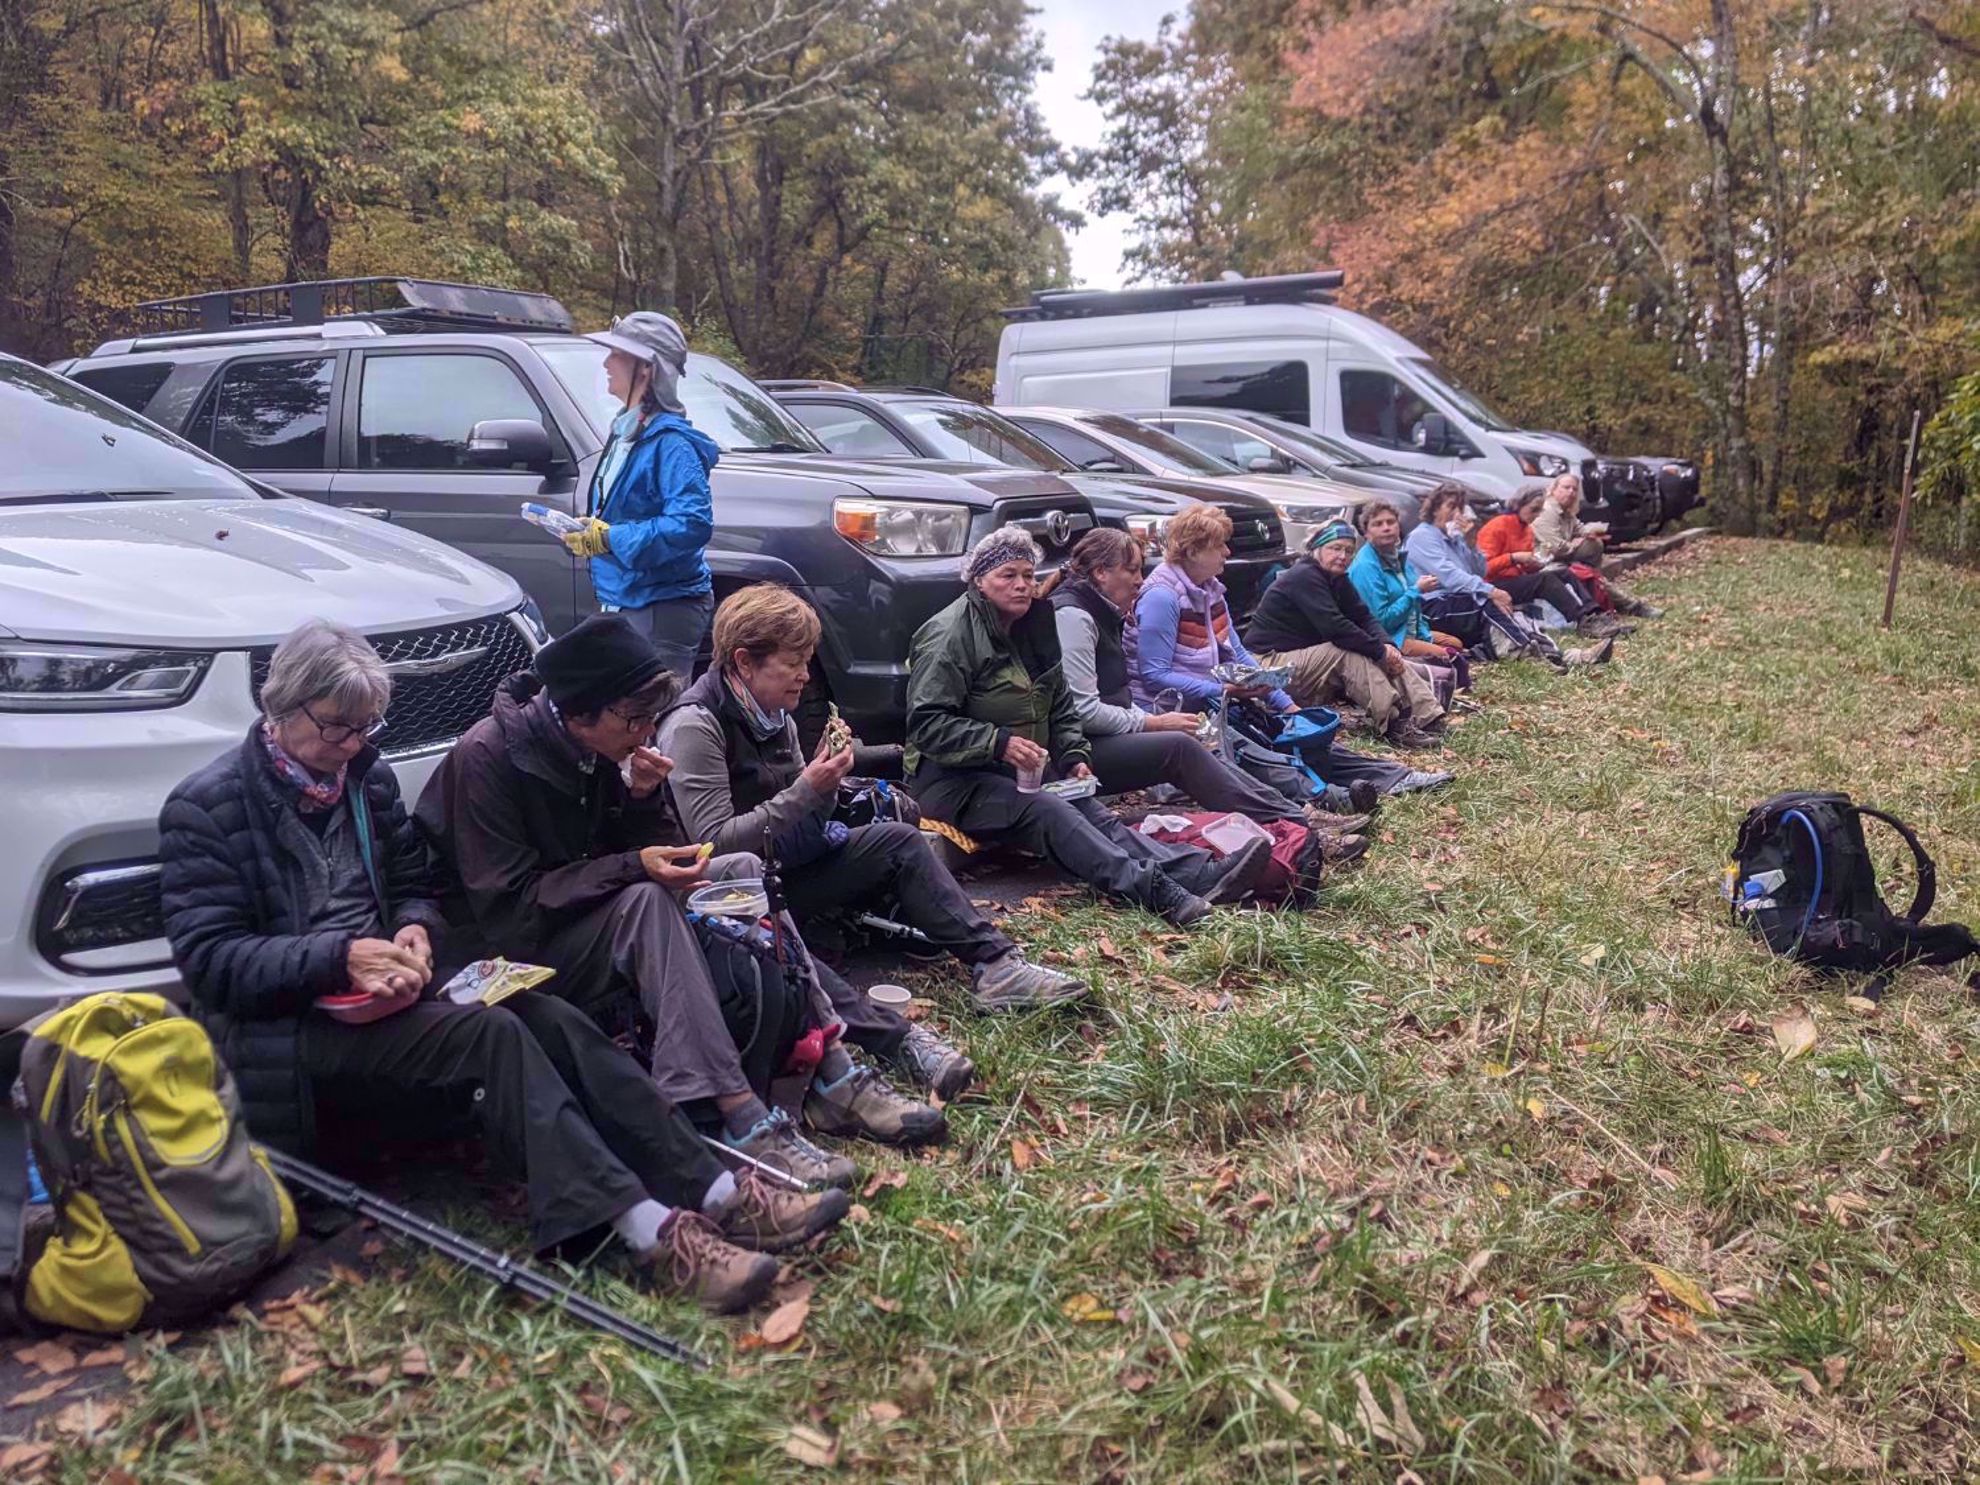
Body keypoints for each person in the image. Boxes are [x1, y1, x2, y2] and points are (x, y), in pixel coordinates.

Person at [158, 620, 844, 1315]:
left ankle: (718, 1190)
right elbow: (211, 961)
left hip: (388, 992)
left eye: (367, 727)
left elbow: (412, 887)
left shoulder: (366, 780)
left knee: (548, 1016)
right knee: (494, 1035)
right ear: (280, 709)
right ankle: (648, 1230)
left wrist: (413, 931)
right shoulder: (207, 806)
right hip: (294, 1023)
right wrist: (341, 955)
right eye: (337, 728)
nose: (351, 746)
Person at [417, 614, 951, 1191]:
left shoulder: (600, 743)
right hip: (505, 947)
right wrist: (632, 863)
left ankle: (833, 1066)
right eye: (635, 720)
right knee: (645, 901)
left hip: (578, 910)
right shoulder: (488, 757)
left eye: (650, 720)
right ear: (578, 712)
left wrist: (644, 799)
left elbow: (677, 854)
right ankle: (736, 1113)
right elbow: (510, 906)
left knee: (741, 869)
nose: (645, 734)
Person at [659, 584, 1085, 1026]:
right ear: (745, 661)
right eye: (793, 663)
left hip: (785, 864)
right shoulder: (695, 725)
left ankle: (998, 964)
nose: (805, 675)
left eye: (806, 660)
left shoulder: (772, 712)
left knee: (898, 840)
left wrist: (828, 780)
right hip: (734, 898)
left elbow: (803, 819)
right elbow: (715, 845)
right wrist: (809, 787)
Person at [906, 528, 1272, 927]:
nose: (1022, 585)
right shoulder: (950, 634)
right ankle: (1158, 893)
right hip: (952, 783)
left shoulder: (1033, 623)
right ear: (979, 580)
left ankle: (1201, 873)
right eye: (1007, 575)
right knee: (1048, 810)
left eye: (1028, 575)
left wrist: (1074, 754)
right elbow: (927, 724)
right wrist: (998, 743)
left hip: (1018, 770)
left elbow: (1061, 704)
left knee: (1093, 813)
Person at [1045, 527, 1372, 861]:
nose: (1139, 580)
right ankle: (1301, 826)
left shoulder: (1104, 608)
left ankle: (1295, 817)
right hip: (1076, 754)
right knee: (1182, 745)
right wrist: (1153, 723)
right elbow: (1083, 711)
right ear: (1101, 573)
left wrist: (1279, 700)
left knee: (1204, 739)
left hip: (1110, 733)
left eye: (1141, 570)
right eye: (1131, 570)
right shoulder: (1075, 616)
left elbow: (1234, 650)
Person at [559, 312, 718, 679]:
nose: (606, 363)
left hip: (662, 605)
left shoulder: (673, 444)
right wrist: (590, 532)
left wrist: (610, 538)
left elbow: (692, 525)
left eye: (617, 354)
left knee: (656, 717)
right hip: (631, 598)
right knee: (629, 718)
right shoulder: (626, 432)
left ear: (645, 371)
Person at [1243, 517, 1450, 751]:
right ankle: (1394, 723)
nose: (1343, 556)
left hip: (1298, 663)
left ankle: (1429, 716)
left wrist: (1387, 645)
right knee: (1343, 652)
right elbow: (1335, 627)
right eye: (1335, 548)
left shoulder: (1337, 578)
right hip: (1267, 667)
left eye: (1349, 551)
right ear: (1317, 549)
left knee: (1381, 651)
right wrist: (1379, 650)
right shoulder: (1304, 576)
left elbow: (1363, 616)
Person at [1402, 485, 1612, 668]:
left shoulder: (1454, 538)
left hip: (1463, 600)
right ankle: (1531, 657)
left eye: (1459, 507)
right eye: (1450, 507)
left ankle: (1566, 656)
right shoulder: (1422, 537)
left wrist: (1471, 542)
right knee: (1486, 604)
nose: (1456, 513)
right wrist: (1493, 587)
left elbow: (1478, 571)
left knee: (1518, 617)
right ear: (1434, 509)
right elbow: (1451, 577)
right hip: (1432, 606)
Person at [1132, 504, 1297, 717]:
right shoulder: (1162, 597)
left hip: (1202, 704)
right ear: (1192, 552)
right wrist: (1222, 691)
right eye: (1219, 546)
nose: (1227, 552)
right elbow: (1154, 674)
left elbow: (1236, 653)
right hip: (1161, 711)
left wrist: (1286, 704)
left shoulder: (1210, 590)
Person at [1347, 499, 1472, 698]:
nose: (1386, 528)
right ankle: (1431, 683)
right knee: (1447, 656)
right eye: (1378, 524)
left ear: (1399, 526)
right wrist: (1415, 590)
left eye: (1391, 522)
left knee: (1455, 644)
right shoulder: (1366, 566)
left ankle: (1439, 673)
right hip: (1390, 638)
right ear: (1366, 533)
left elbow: (1415, 610)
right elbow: (1381, 621)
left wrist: (1425, 635)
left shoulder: (1397, 557)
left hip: (1410, 630)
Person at [1476, 489, 1623, 637]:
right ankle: (1582, 620)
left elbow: (1525, 570)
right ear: (1518, 505)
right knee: (1545, 580)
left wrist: (1534, 564)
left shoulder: (1526, 529)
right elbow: (1482, 569)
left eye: (1539, 510)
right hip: (1492, 585)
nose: (1537, 515)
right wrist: (1513, 558)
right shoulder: (1497, 526)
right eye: (1533, 509)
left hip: (1513, 579)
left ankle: (1595, 613)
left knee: (1564, 573)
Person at [1531, 473, 1662, 618]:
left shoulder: (1566, 513)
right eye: (1566, 487)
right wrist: (1575, 544)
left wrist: (1592, 532)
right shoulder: (1547, 511)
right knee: (1588, 576)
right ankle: (1632, 606)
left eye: (1574, 489)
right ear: (1554, 489)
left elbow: (1580, 529)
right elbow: (1556, 547)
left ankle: (1599, 587)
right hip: (1545, 563)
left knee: (1594, 546)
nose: (1571, 492)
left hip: (1561, 559)